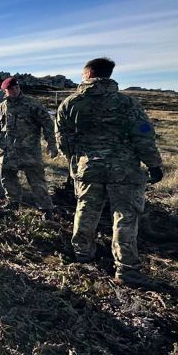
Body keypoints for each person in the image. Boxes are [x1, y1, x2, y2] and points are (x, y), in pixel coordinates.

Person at [56, 58, 163, 289]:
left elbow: (63, 139)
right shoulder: (128, 104)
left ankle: (82, 254)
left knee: (86, 210)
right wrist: (153, 164)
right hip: (124, 171)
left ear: (89, 74)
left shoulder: (70, 103)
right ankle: (126, 269)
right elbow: (143, 135)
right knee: (125, 216)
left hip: (88, 168)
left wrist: (78, 159)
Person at [0, 77, 57, 212]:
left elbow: (48, 123)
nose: (14, 91)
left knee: (37, 181)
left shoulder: (32, 104)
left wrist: (51, 143)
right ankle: (13, 203)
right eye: (10, 89)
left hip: (30, 151)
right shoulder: (0, 108)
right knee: (8, 179)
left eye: (16, 88)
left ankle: (46, 209)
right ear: (5, 91)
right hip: (7, 151)